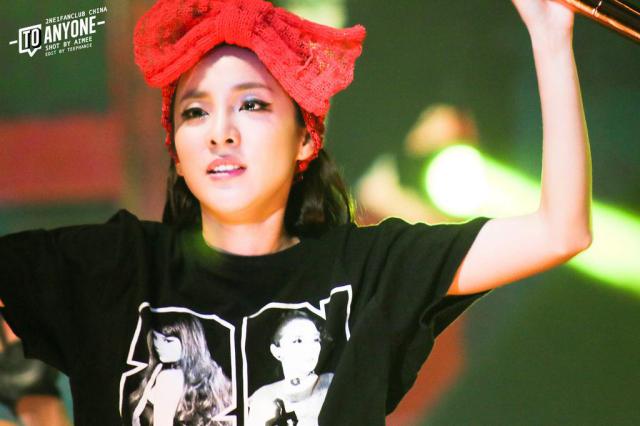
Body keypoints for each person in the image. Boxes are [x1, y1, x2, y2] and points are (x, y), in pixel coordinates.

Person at [0, 0, 592, 424]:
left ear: (306, 137)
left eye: (252, 105)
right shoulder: (118, 265)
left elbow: (559, 230)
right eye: (195, 113)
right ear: (176, 150)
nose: (220, 133)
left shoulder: (367, 271)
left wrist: (549, 35)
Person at [128, 314, 232, 425]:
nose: (158, 345)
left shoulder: (168, 377)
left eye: (168, 341)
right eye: (155, 338)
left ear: (189, 344)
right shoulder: (211, 377)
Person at [247, 311, 333, 426]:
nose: (311, 347)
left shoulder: (332, 383)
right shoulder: (263, 396)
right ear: (276, 351)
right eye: (298, 340)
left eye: (316, 339)